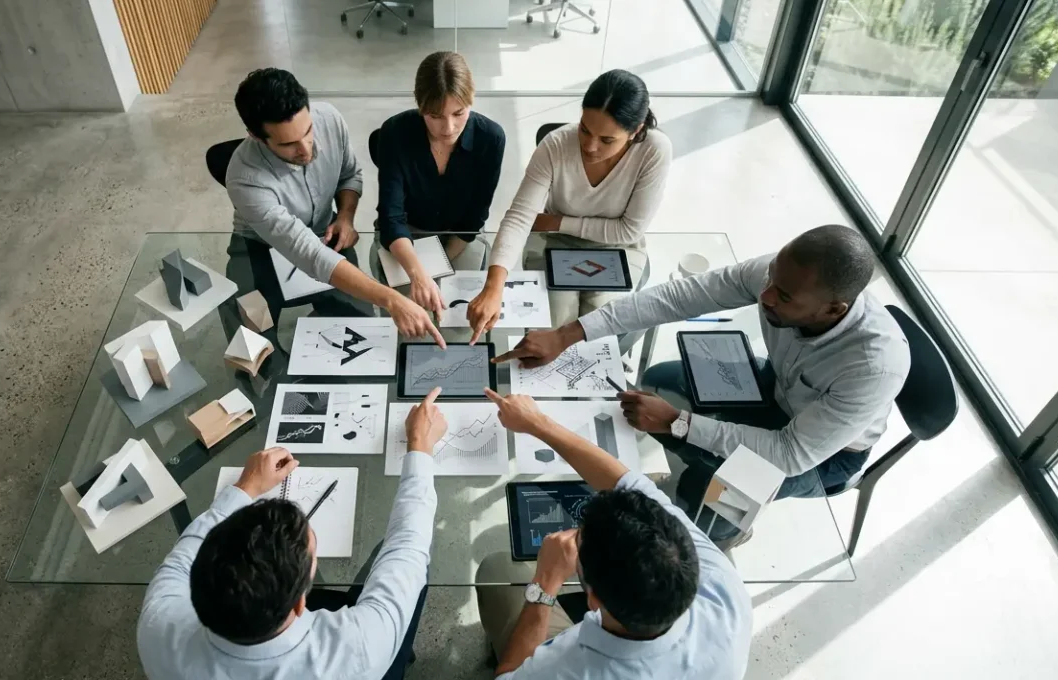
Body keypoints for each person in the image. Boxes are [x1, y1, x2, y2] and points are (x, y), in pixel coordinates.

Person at [495, 225, 911, 541]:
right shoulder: (779, 277)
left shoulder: (874, 367)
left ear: (834, 309)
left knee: (708, 498)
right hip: (776, 383)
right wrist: (568, 334)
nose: (765, 296)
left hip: (824, 455)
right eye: (770, 281)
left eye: (783, 298)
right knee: (658, 381)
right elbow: (679, 297)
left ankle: (725, 535)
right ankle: (685, 471)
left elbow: (789, 453)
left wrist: (677, 422)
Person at [136, 388, 448, 680]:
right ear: (301, 604)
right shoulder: (357, 649)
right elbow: (408, 547)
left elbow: (181, 558)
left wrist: (245, 487)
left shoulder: (158, 630)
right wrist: (420, 445)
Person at [476, 388, 751, 679]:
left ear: (593, 601)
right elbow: (626, 481)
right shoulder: (722, 587)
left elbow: (506, 677)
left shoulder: (572, 671)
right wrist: (537, 423)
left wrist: (545, 584)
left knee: (497, 569)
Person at [225, 67, 442, 346]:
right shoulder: (244, 179)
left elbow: (349, 175)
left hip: (327, 235)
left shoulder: (328, 118)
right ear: (256, 137)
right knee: (250, 348)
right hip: (259, 248)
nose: (306, 149)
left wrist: (346, 217)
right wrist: (392, 299)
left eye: (308, 131)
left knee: (364, 337)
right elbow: (309, 253)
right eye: (289, 144)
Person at [466, 69, 672, 341]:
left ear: (635, 131)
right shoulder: (556, 144)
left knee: (598, 328)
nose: (590, 146)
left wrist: (557, 221)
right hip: (556, 242)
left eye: (607, 140)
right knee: (551, 330)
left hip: (616, 247)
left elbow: (628, 231)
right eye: (584, 129)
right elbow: (520, 217)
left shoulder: (654, 150)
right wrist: (494, 286)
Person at [374, 51, 506, 321]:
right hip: (407, 237)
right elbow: (391, 218)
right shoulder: (395, 133)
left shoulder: (490, 138)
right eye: (435, 116)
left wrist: (438, 269)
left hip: (460, 236)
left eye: (459, 113)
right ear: (420, 105)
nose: (448, 127)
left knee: (460, 321)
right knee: (409, 323)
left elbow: (475, 217)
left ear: (471, 99)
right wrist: (420, 275)